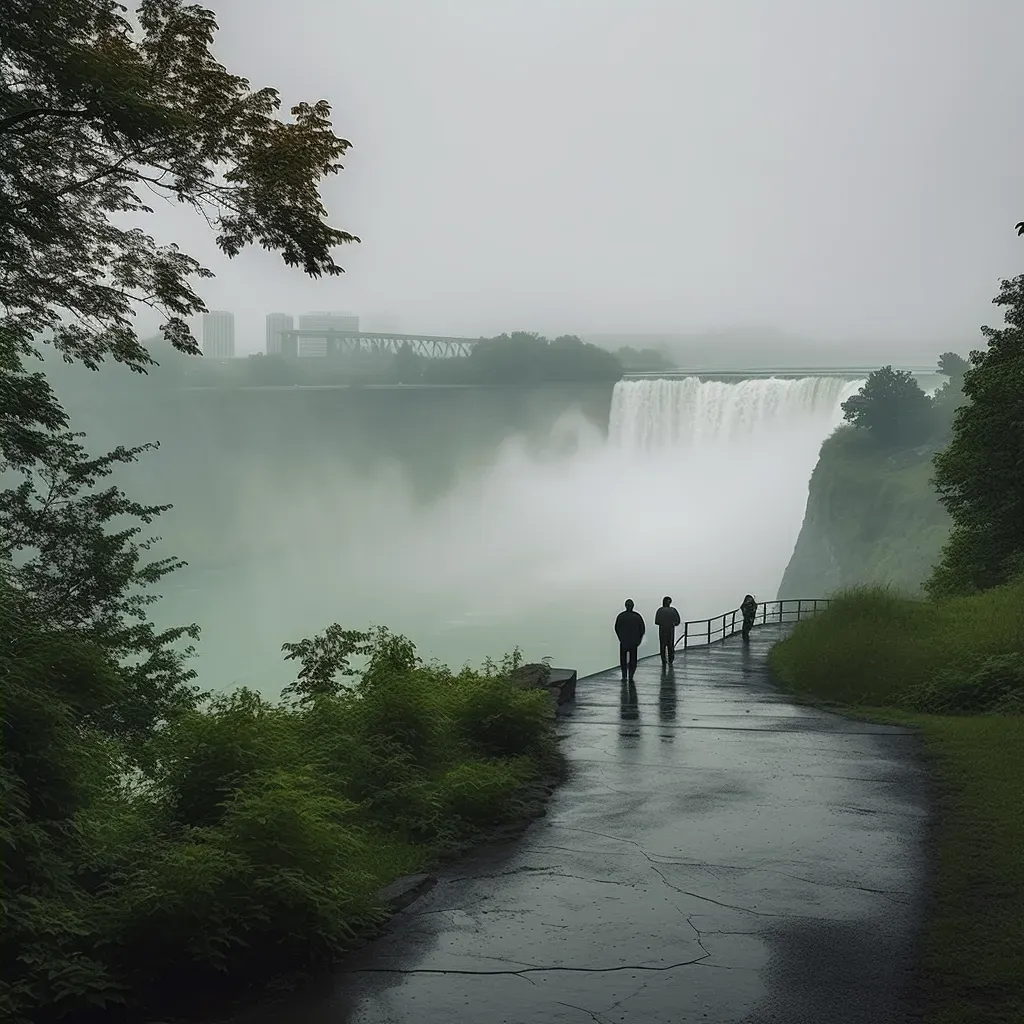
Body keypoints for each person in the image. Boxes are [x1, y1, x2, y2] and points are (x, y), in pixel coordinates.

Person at [614, 599, 646, 682]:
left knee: (623, 659)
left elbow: (616, 628)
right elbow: (642, 629)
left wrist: (620, 637)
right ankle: (631, 675)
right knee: (633, 659)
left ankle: (624, 676)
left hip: (623, 641)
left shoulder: (621, 616)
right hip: (634, 642)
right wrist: (639, 639)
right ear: (633, 606)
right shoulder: (637, 616)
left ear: (625, 606)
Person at [654, 596, 681, 666]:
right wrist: (672, 623)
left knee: (662, 646)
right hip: (670, 630)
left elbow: (656, 621)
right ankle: (671, 659)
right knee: (670, 645)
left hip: (662, 630)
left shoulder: (659, 610)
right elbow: (678, 621)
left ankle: (663, 660)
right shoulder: (673, 610)